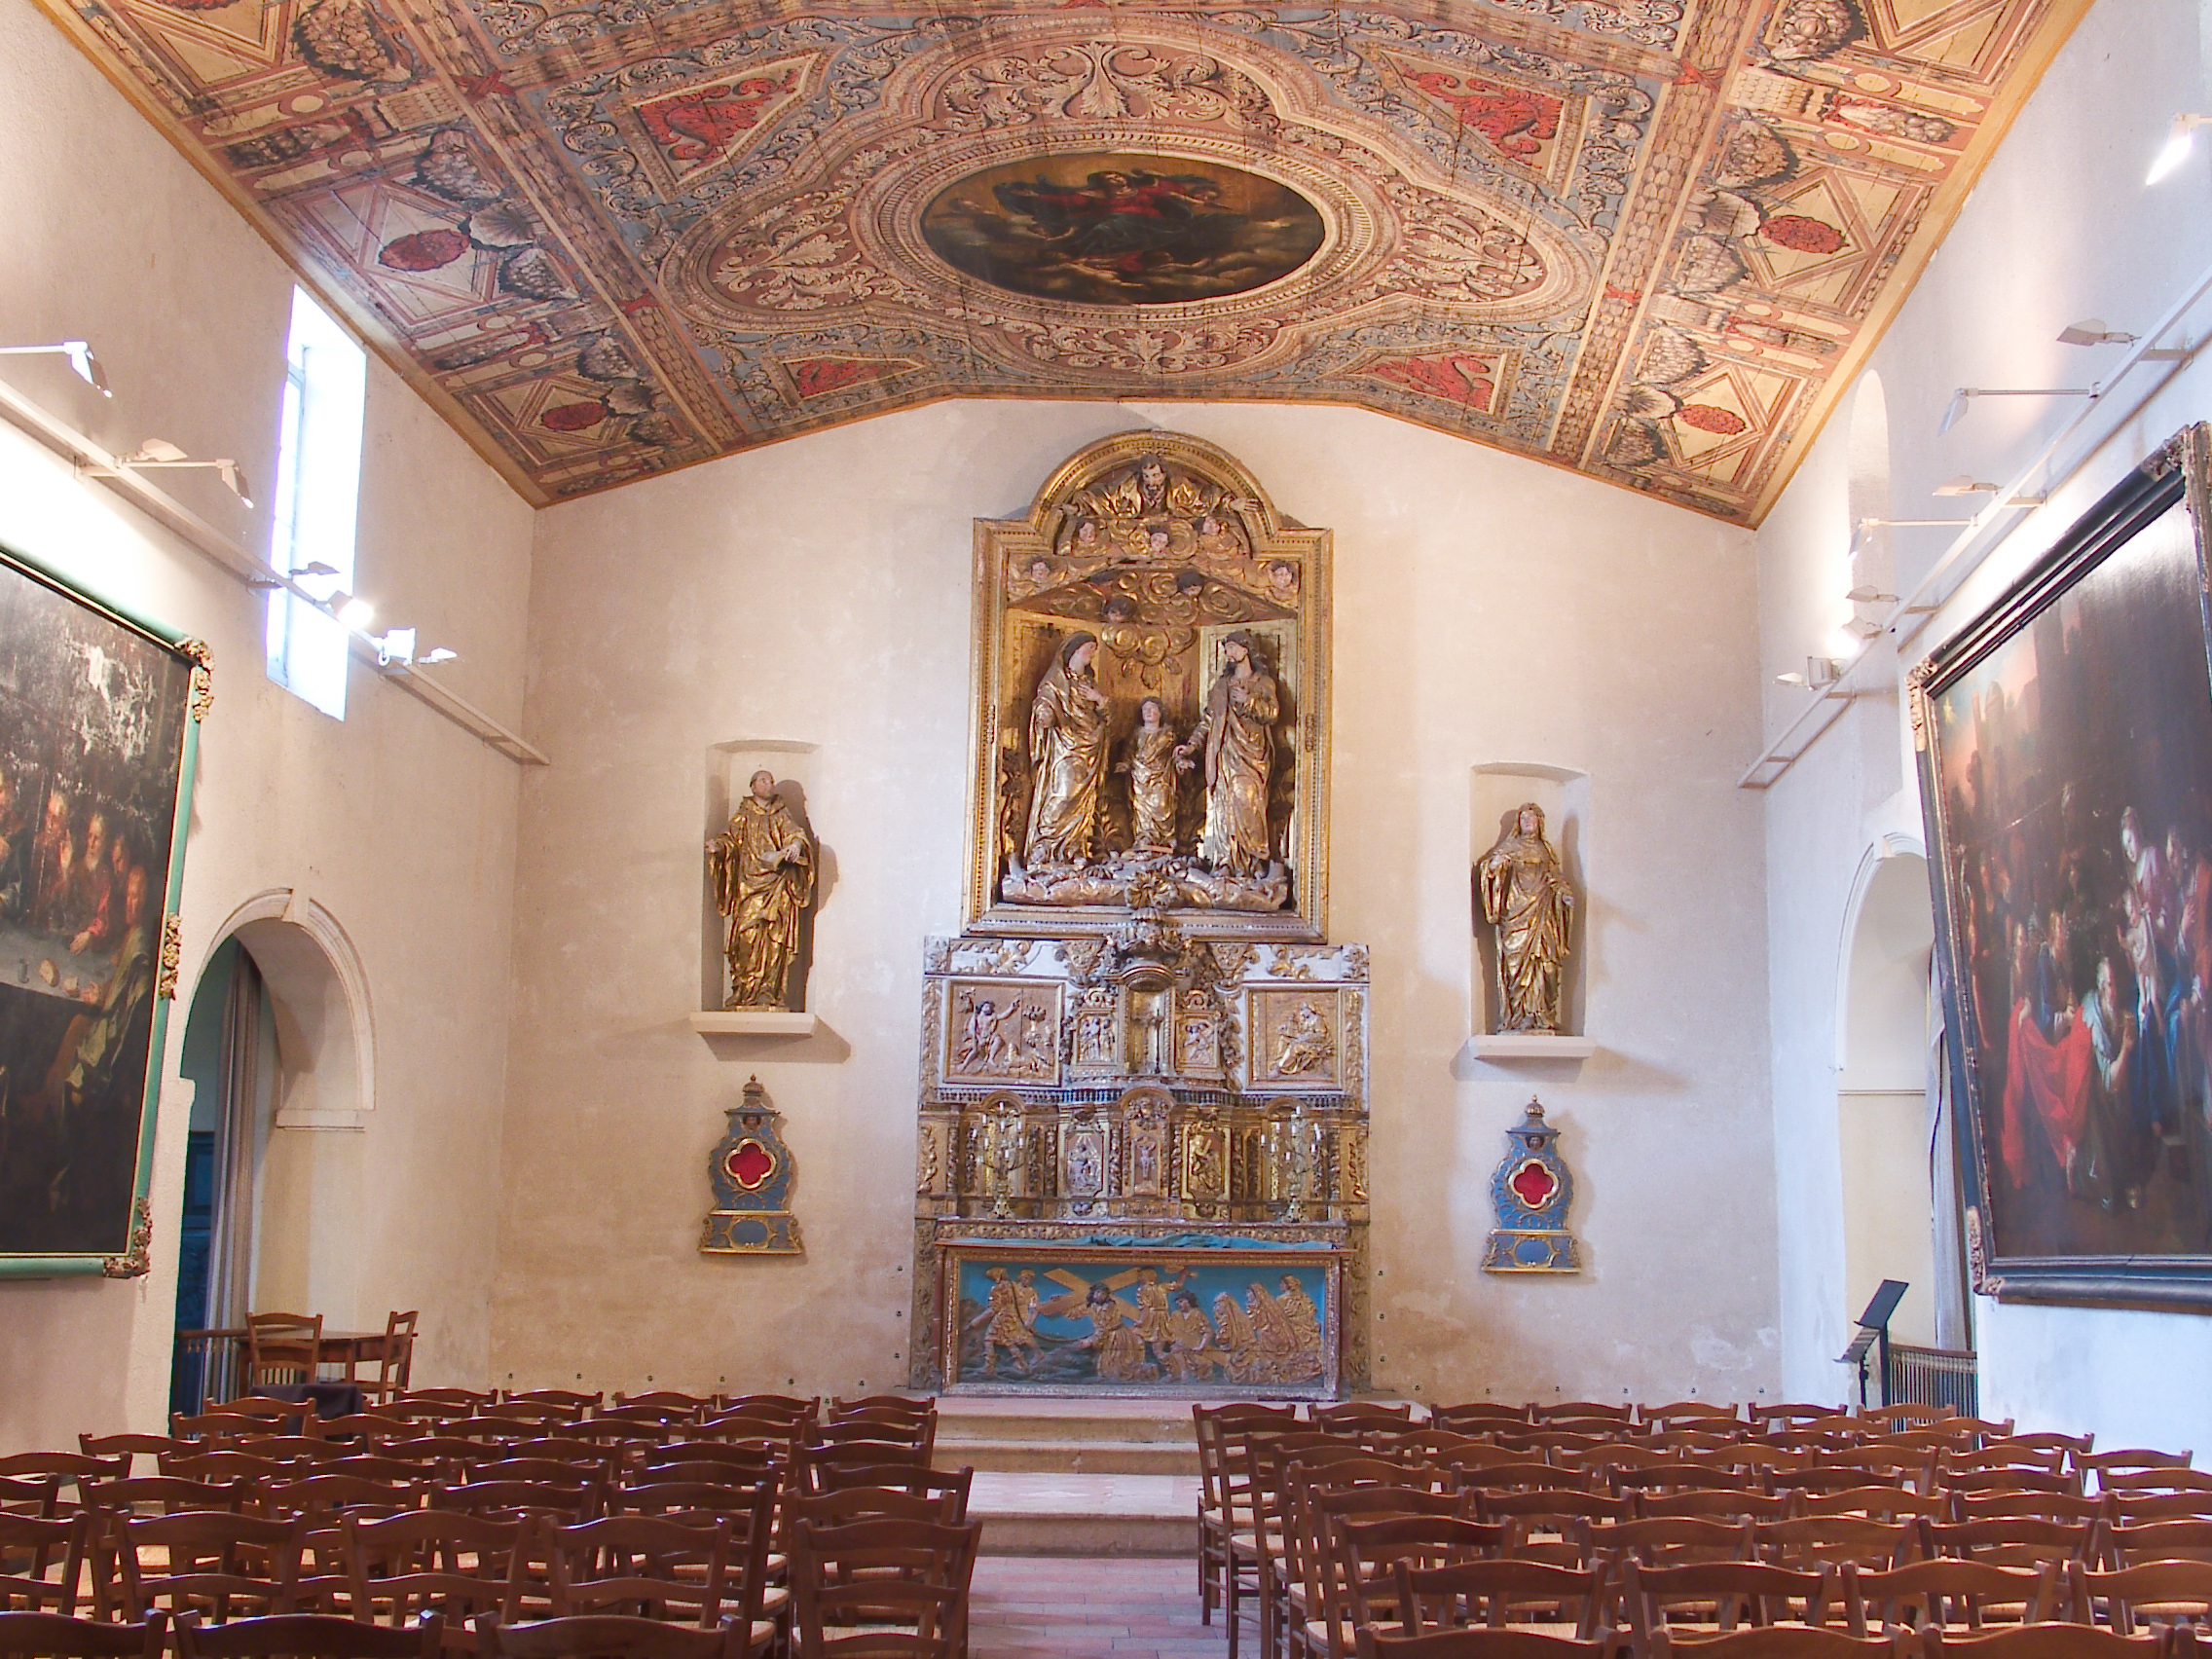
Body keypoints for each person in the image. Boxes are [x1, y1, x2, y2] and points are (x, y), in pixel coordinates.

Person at [707, 769, 816, 1009]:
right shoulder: (743, 815)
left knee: (774, 938)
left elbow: (796, 835)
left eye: (771, 781)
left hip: (776, 887)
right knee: (746, 938)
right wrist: (719, 848)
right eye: (764, 781)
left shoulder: (781, 814)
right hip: (748, 887)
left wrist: (795, 846)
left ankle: (769, 991)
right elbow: (730, 841)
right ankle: (745, 990)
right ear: (753, 786)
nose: (769, 785)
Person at [1177, 631, 1277, 878]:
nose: (1229, 653)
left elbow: (1272, 714)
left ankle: (1253, 860)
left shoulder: (1263, 682)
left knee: (1247, 800)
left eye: (1233, 647)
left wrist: (1249, 699)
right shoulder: (1222, 686)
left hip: (1251, 753)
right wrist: (1191, 746)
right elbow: (1208, 720)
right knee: (1223, 805)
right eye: (1227, 649)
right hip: (1224, 752)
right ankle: (1224, 860)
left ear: (1246, 649)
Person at [1475, 803, 1577, 1033]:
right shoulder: (1510, 847)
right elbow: (1489, 872)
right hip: (1516, 915)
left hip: (1543, 916)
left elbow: (1555, 879)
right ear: (1518, 823)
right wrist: (1494, 866)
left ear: (1540, 822)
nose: (1528, 822)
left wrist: (1564, 895)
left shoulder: (1546, 851)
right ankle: (1519, 1015)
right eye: (1524, 819)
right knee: (1517, 967)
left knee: (1547, 966)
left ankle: (1542, 1014)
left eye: (1532, 818)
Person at [1023, 632, 1112, 867]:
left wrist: (1100, 699)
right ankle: (1045, 843)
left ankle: (1074, 847)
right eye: (1089, 647)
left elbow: (1107, 716)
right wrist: (1045, 714)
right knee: (1063, 793)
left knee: (1083, 800)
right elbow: (1044, 700)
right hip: (1065, 745)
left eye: (1094, 649)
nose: (1092, 653)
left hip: (1090, 746)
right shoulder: (1056, 679)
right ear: (1074, 650)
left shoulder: (1089, 683)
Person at [1121, 697, 1180, 854]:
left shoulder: (1168, 733)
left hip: (1161, 776)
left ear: (1160, 713)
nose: (1149, 712)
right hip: (1140, 775)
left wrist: (1181, 761)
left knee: (1162, 804)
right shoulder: (1137, 733)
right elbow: (1129, 751)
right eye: (1145, 709)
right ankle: (1145, 835)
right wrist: (1125, 763)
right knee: (1141, 808)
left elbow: (1175, 753)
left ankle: (1166, 836)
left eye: (1153, 708)